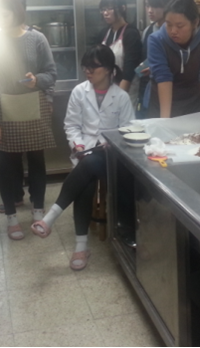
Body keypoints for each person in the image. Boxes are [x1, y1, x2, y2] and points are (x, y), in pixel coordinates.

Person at [31, 45, 134, 270]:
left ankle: (54, 220)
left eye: (93, 67)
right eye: (85, 67)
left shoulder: (122, 97)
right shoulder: (79, 91)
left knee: (90, 165)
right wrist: (76, 144)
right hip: (85, 150)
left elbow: (127, 131)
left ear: (108, 69)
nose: (88, 71)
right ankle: (80, 246)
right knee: (86, 179)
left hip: (112, 157)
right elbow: (71, 125)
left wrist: (110, 144)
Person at [0, 0, 57, 240]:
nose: (0, 19)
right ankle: (12, 218)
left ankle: (38, 211)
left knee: (37, 161)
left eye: (4, 14)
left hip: (34, 106)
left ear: (16, 13)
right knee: (7, 164)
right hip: (5, 109)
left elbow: (51, 73)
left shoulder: (37, 39)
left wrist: (37, 80)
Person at [146, 0, 200, 118]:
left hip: (195, 105)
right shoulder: (156, 40)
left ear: (195, 22)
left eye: (180, 26)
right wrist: (165, 121)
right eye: (169, 24)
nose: (173, 31)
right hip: (162, 105)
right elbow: (163, 78)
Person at [137, 0, 175, 118]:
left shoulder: (174, 32)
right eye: (147, 5)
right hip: (150, 90)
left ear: (167, 4)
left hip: (174, 91)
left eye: (155, 6)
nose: (150, 10)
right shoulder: (148, 31)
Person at [97, 0, 143, 95]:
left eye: (110, 8)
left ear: (123, 8)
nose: (105, 13)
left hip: (126, 91)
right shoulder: (104, 33)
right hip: (106, 89)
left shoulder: (131, 33)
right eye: (103, 9)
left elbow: (129, 71)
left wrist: (119, 98)